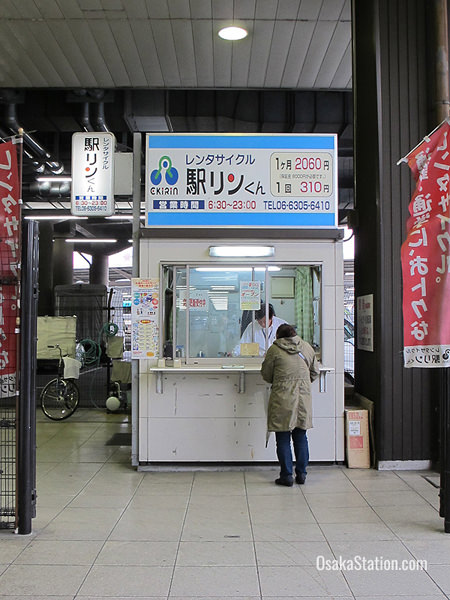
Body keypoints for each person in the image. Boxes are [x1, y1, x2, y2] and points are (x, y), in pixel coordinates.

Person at [261, 323, 320, 486]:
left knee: (283, 437)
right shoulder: (307, 348)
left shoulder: (274, 350)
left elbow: (266, 375)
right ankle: (301, 474)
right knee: (301, 436)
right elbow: (315, 372)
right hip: (303, 398)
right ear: (294, 334)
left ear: (278, 336)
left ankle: (286, 475)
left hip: (282, 398)